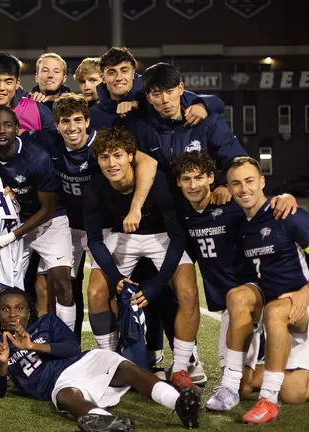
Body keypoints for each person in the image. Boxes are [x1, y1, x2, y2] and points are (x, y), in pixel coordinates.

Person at [170, 151, 297, 412]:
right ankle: (280, 365)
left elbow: (259, 207)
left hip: (254, 292)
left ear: (211, 179)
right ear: (178, 183)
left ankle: (231, 381)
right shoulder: (182, 212)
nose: (193, 185)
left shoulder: (230, 204)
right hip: (228, 301)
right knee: (246, 385)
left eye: (199, 178)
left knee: (232, 375)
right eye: (186, 179)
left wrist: (283, 197)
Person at [83, 127, 201, 393]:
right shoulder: (94, 187)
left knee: (189, 291)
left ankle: (181, 368)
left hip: (162, 237)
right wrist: (116, 279)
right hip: (122, 236)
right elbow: (94, 240)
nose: (111, 163)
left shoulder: (156, 182)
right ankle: (110, 362)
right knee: (95, 291)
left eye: (117, 155)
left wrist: (158, 284)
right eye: (104, 157)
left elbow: (177, 236)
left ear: (130, 156)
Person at [0, 288, 201, 430]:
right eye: (5, 309)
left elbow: (72, 348)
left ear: (28, 312)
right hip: (58, 384)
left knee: (125, 368)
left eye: (19, 308)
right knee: (67, 397)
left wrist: (32, 345)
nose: (12, 314)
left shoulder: (46, 322)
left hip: (84, 362)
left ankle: (179, 403)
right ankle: (104, 420)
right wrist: (2, 363)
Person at [42, 93, 158, 339]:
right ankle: (66, 346)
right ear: (57, 125)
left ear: (87, 122)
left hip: (106, 226)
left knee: (104, 289)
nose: (72, 127)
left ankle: (122, 348)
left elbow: (147, 162)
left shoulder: (102, 145)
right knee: (59, 285)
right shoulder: (49, 142)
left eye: (77, 120)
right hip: (68, 225)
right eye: (65, 121)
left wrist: (135, 207)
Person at [226, 157, 309, 423]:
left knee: (274, 311)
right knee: (293, 394)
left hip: (301, 306)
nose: (244, 189)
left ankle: (268, 400)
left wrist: (304, 293)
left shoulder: (288, 214)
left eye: (250, 181)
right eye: (236, 184)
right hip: (282, 318)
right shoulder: (241, 224)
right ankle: (231, 382)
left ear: (262, 182)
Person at [0, 106, 72, 325]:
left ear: (18, 129)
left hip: (50, 220)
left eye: (7, 125)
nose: (1, 130)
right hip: (17, 220)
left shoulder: (36, 157)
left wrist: (8, 238)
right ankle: (9, 343)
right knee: (3, 286)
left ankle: (67, 343)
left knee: (62, 282)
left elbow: (48, 208)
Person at [89, 46, 221, 131]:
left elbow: (216, 102)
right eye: (112, 72)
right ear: (103, 77)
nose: (118, 78)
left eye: (124, 71)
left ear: (133, 73)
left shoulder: (155, 93)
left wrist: (203, 105)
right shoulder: (94, 113)